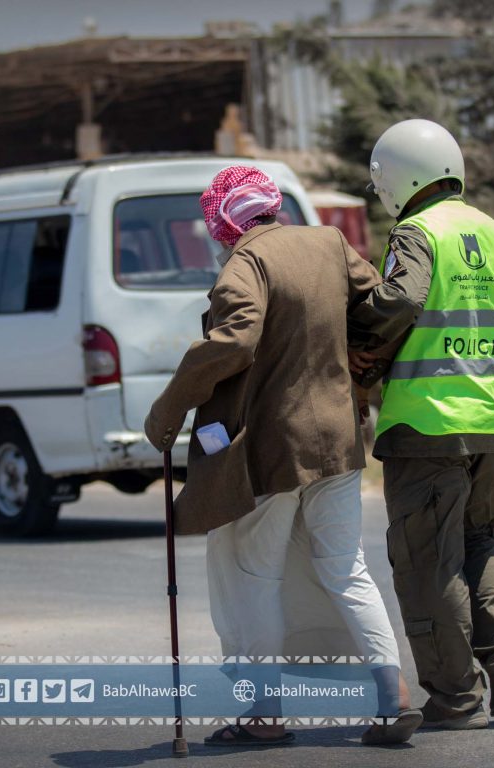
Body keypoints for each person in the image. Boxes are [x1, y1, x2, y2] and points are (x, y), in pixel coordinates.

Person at [144, 165, 422, 747]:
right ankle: (393, 696)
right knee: (348, 569)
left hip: (275, 449)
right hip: (340, 442)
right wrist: (363, 363)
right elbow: (381, 303)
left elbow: (237, 338)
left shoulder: (245, 265)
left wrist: (169, 409)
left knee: (256, 575)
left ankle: (265, 714)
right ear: (270, 204)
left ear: (224, 221)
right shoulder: (329, 242)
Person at [349, 119, 494, 730]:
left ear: (396, 178)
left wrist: (356, 343)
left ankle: (454, 696)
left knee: (429, 562)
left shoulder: (416, 233)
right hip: (493, 427)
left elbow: (401, 302)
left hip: (425, 429)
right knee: (483, 544)